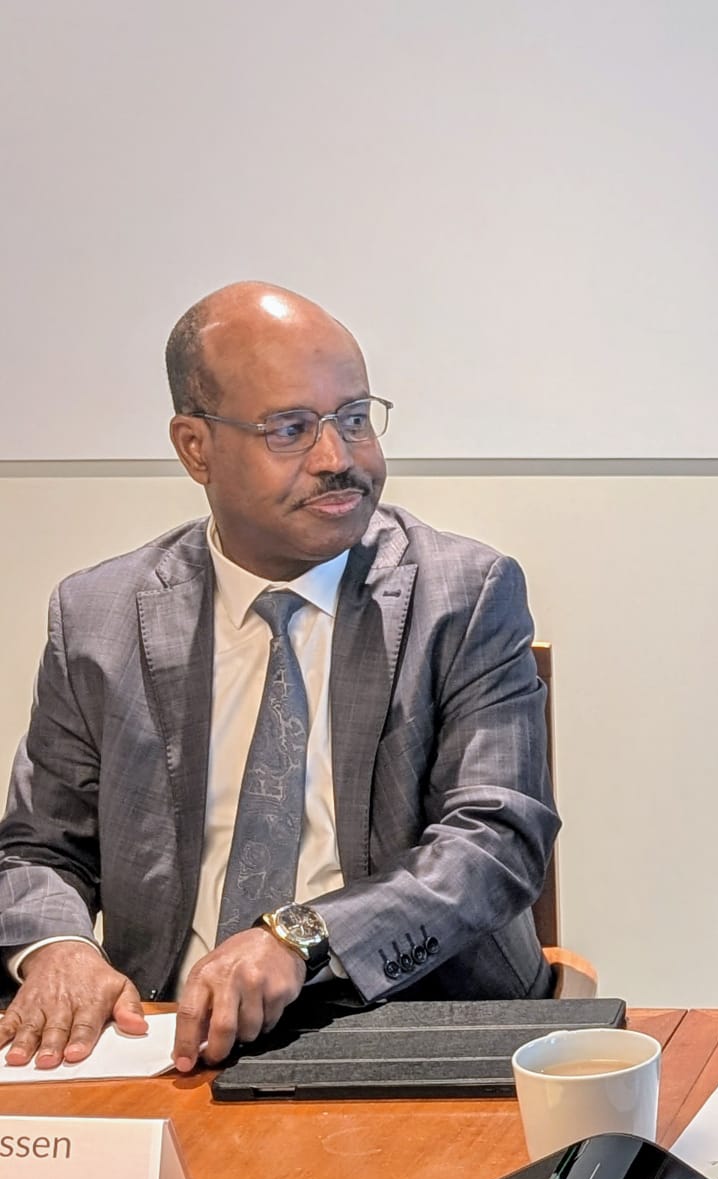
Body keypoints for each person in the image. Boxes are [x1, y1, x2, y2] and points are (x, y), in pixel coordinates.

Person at [0, 283, 559, 1074]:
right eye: (291, 429)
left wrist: (300, 935)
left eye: (355, 419)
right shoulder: (98, 616)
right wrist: (56, 950)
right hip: (166, 1042)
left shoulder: (463, 596)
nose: (339, 459)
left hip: (411, 1029)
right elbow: (37, 849)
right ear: (195, 446)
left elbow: (495, 841)